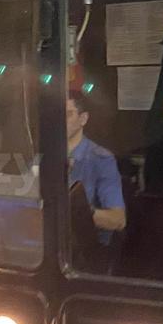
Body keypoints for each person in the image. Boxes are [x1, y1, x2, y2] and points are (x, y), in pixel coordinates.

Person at [66, 91, 126, 237]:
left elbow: (118, 220)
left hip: (85, 247)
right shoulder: (43, 156)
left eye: (68, 114)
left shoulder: (101, 160)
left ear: (83, 119)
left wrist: (80, 212)